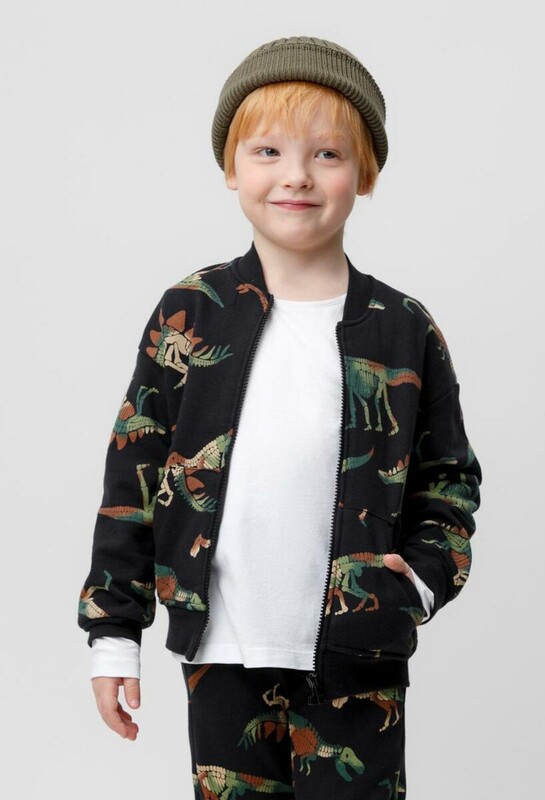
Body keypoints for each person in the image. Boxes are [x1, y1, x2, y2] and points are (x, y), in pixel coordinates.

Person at [78, 35, 483, 799]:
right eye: (268, 151)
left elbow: (449, 480)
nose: (296, 175)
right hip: (221, 652)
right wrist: (113, 636)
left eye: (327, 154)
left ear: (365, 173)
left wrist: (421, 585)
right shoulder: (192, 312)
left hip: (359, 656)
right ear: (232, 168)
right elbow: (134, 471)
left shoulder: (403, 330)